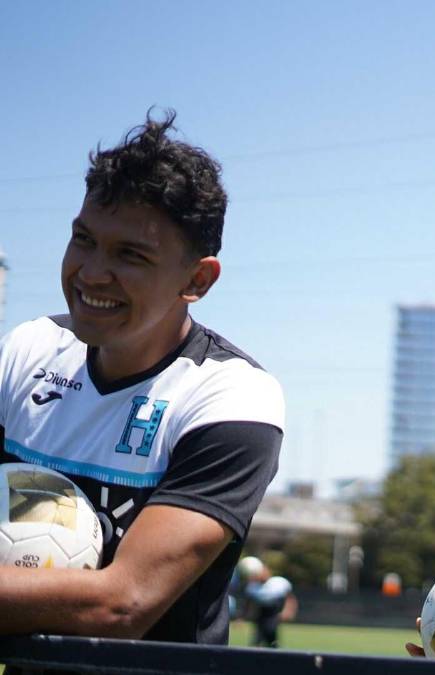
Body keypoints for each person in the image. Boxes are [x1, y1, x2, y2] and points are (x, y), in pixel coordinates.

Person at [0, 111, 284, 656]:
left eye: (130, 255)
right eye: (84, 240)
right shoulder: (27, 350)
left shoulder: (231, 398)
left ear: (197, 280)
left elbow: (123, 604)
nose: (91, 273)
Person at [237, 556, 298, 648]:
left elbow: (290, 598)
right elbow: (248, 603)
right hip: (260, 616)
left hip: (273, 615)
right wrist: (241, 618)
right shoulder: (252, 587)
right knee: (256, 641)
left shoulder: (279, 583)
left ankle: (273, 651)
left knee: (271, 635)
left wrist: (288, 611)